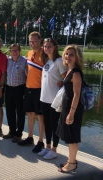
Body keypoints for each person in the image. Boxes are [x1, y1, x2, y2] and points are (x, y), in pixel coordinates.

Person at [56, 45, 84, 173]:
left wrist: (71, 113)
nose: (68, 56)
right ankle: (70, 160)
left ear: (77, 57)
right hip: (68, 107)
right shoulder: (69, 70)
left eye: (72, 54)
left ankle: (72, 163)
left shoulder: (76, 72)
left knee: (72, 138)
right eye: (67, 54)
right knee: (69, 136)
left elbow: (77, 94)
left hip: (73, 109)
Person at [38, 38, 67, 159]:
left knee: (54, 124)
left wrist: (62, 82)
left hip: (55, 100)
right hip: (44, 98)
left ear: (55, 47)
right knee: (47, 124)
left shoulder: (59, 61)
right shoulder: (46, 60)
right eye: (45, 46)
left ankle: (54, 150)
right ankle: (48, 146)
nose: (47, 48)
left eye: (49, 46)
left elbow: (66, 78)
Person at [18, 31, 45, 153]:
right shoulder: (29, 53)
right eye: (30, 41)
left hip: (40, 89)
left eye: (34, 41)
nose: (32, 43)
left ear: (40, 41)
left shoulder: (44, 54)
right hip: (29, 88)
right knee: (30, 114)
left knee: (40, 116)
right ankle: (30, 137)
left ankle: (40, 141)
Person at [3, 44, 27, 142]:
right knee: (9, 111)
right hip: (9, 88)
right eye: (12, 50)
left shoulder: (24, 61)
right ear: (10, 51)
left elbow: (28, 77)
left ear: (20, 51)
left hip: (20, 89)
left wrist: (26, 91)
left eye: (16, 50)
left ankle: (19, 133)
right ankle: (12, 131)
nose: (14, 52)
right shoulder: (7, 60)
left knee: (20, 112)